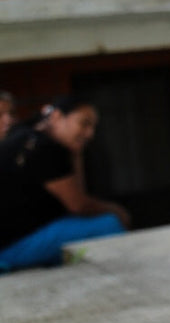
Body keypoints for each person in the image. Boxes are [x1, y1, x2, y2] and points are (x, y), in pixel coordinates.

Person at [0, 96, 129, 274]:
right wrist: (117, 210)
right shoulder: (44, 147)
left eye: (92, 127)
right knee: (109, 223)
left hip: (18, 240)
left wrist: (75, 153)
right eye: (84, 123)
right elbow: (78, 205)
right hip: (10, 249)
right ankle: (122, 279)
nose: (90, 133)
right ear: (57, 117)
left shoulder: (25, 134)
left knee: (74, 229)